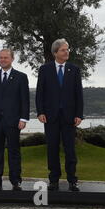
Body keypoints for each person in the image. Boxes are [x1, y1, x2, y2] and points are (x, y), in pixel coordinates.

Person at [36, 39, 84, 192]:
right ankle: (54, 180)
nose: (67, 52)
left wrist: (79, 114)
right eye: (64, 50)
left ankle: (72, 180)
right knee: (52, 149)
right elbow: (40, 93)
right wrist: (40, 112)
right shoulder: (45, 69)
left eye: (67, 49)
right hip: (50, 117)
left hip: (69, 117)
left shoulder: (74, 70)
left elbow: (79, 94)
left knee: (70, 149)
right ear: (55, 52)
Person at [0, 49, 30, 191]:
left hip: (14, 121)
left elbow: (25, 100)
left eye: (5, 58)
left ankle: (16, 181)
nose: (3, 60)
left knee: (14, 152)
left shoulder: (21, 77)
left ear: (12, 59)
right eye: (0, 58)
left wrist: (23, 118)